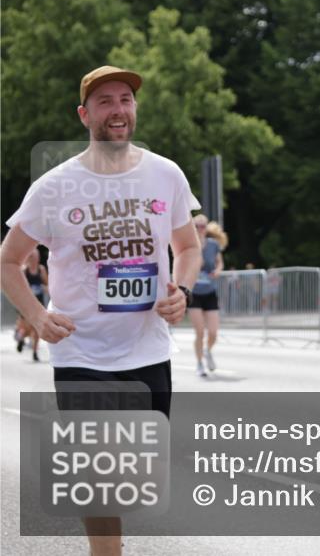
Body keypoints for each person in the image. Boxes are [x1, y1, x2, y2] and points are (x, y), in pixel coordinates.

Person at [0, 65, 201, 556]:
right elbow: (7, 260)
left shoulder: (164, 173)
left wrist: (185, 291)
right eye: (106, 101)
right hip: (81, 351)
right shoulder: (54, 187)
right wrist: (39, 316)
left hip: (147, 349)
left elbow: (188, 247)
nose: (118, 110)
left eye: (126, 100)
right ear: (84, 114)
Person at [190, 214, 227, 377]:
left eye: (202, 226)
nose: (200, 229)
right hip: (194, 293)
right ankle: (199, 364)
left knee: (213, 332)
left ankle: (207, 350)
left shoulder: (213, 244)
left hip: (210, 291)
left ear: (206, 228)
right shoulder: (189, 244)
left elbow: (220, 262)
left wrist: (218, 270)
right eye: (196, 226)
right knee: (199, 332)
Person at [14, 248, 48, 362]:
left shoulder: (41, 269)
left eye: (36, 257)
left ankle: (34, 352)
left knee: (37, 329)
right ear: (28, 258)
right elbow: (18, 287)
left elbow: (47, 285)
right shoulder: (25, 270)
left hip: (39, 303)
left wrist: (45, 288)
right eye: (32, 257)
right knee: (27, 329)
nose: (35, 259)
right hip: (27, 304)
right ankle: (21, 339)